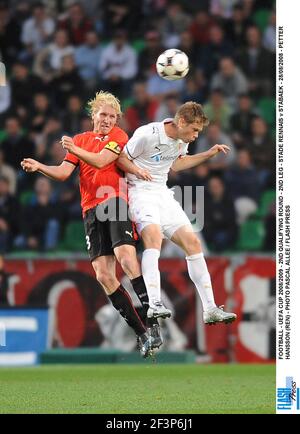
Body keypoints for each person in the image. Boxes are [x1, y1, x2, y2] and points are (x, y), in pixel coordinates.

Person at [21, 91, 159, 358]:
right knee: (104, 276)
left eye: (112, 116)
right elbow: (63, 173)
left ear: (116, 119)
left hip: (115, 200)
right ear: (93, 115)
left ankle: (154, 321)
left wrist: (73, 148)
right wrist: (40, 166)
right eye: (103, 114)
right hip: (91, 210)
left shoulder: (118, 137)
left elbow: (102, 161)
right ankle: (141, 333)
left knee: (126, 257)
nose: (107, 120)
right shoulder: (82, 140)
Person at [117, 102, 237, 325]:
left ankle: (210, 308)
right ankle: (154, 303)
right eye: (194, 130)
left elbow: (177, 165)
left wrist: (208, 154)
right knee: (154, 238)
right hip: (139, 192)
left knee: (193, 242)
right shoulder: (147, 134)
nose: (195, 135)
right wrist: (138, 171)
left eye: (198, 131)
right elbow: (121, 158)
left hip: (162, 193)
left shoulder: (181, 141)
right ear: (181, 121)